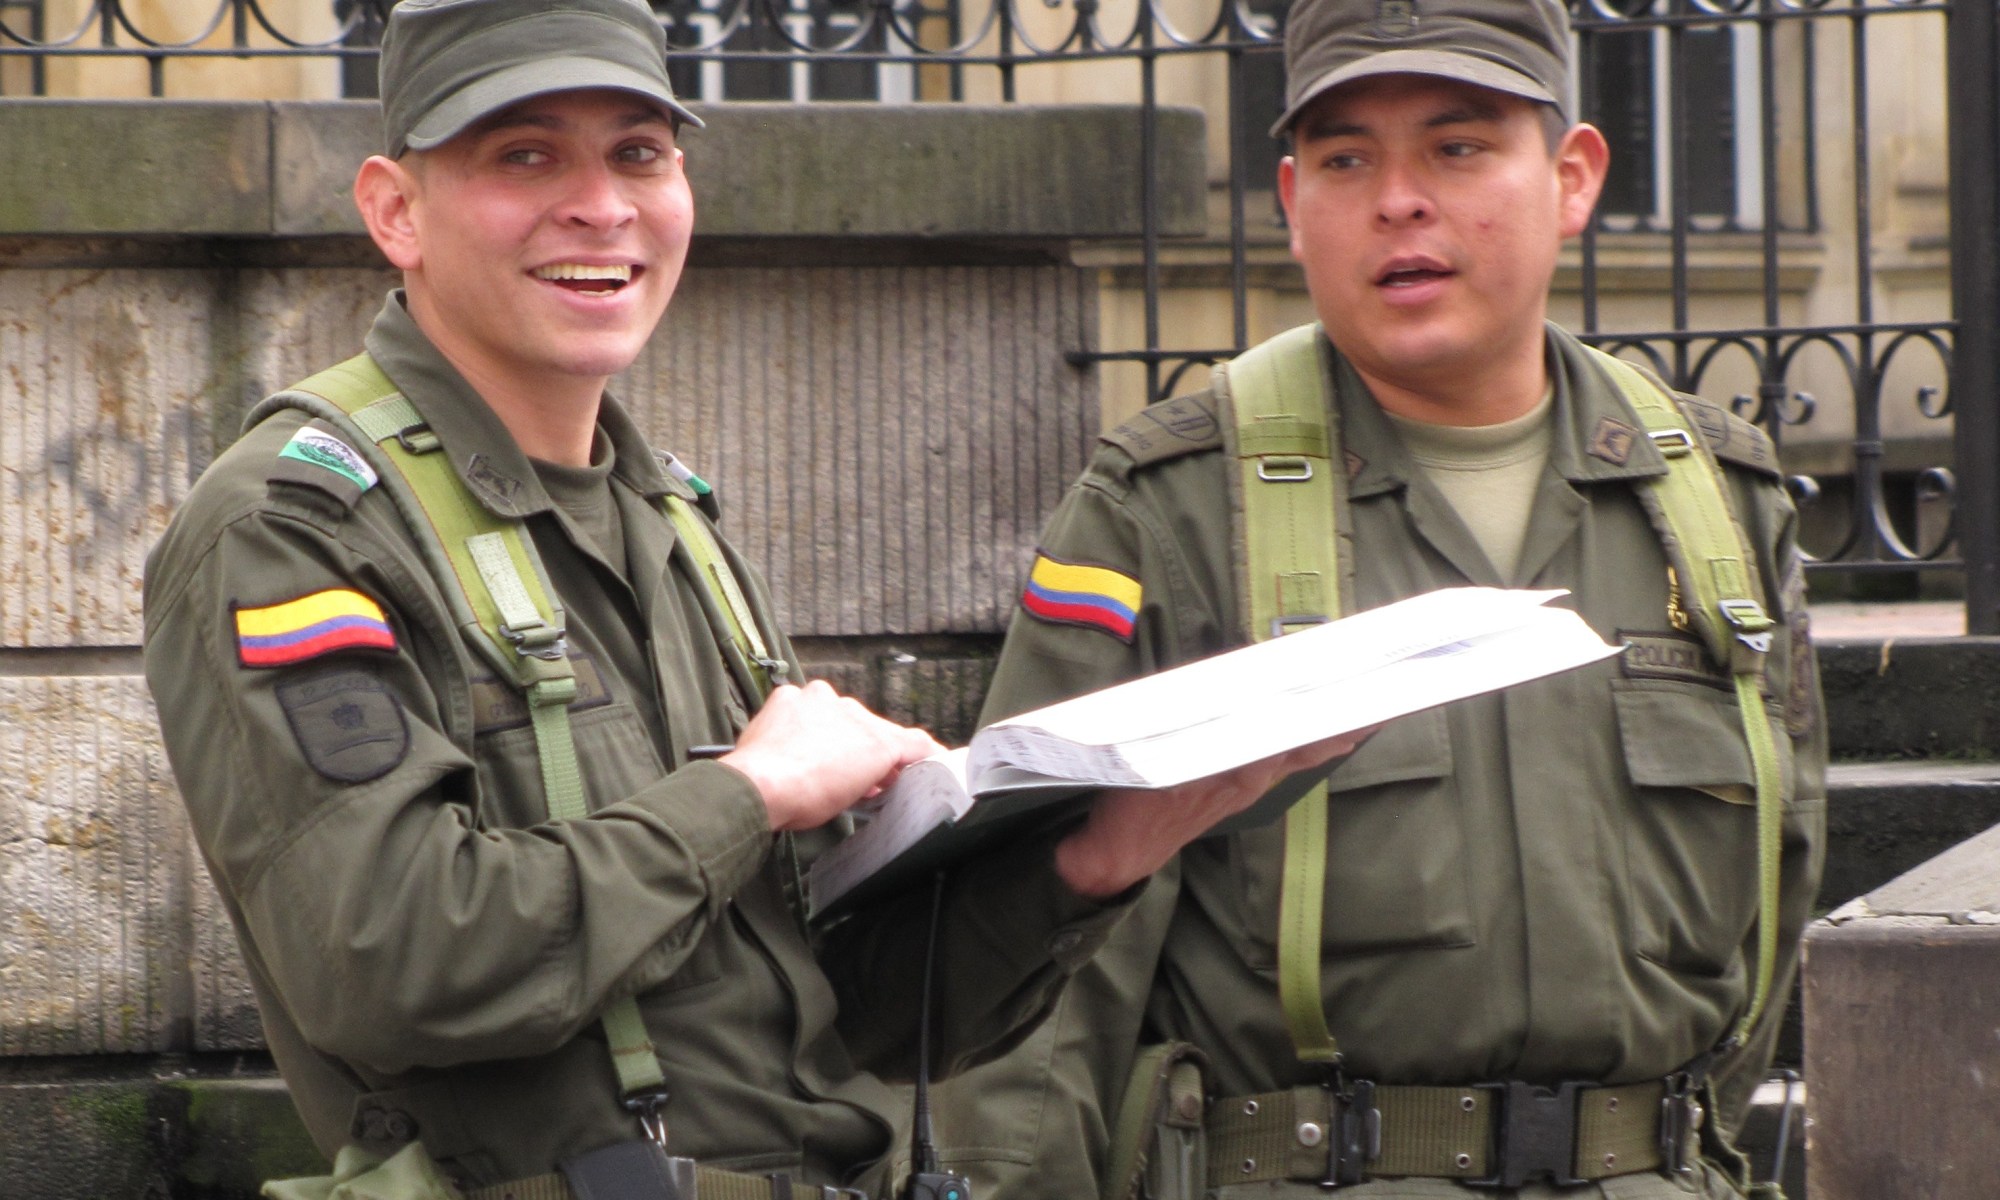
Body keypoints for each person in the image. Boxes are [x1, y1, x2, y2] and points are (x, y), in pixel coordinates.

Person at [140, 1, 1363, 1196]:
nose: (602, 206)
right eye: (525, 156)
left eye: (639, 153)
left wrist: (1102, 852)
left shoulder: (667, 517)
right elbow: (392, 965)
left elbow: (847, 1018)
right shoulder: (295, 525)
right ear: (394, 210)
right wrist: (748, 794)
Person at [931, 0, 1827, 1197]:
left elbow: (1778, 888)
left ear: (1570, 179)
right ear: (1292, 202)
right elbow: (1040, 971)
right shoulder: (1172, 506)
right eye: (1346, 160)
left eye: (1456, 148)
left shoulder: (1716, 502)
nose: (1398, 201)